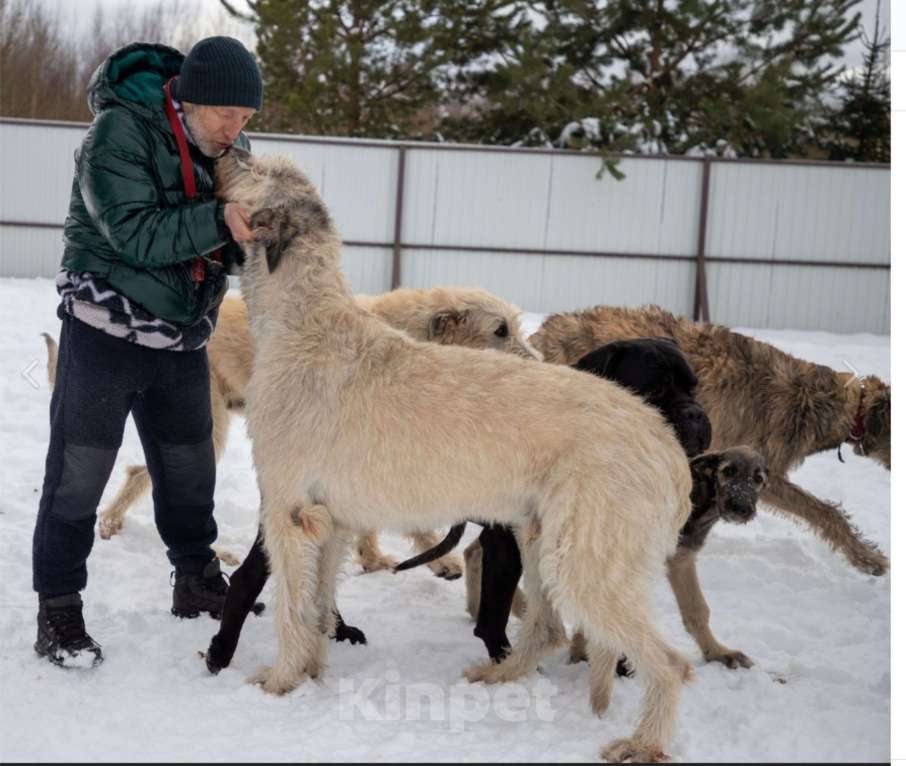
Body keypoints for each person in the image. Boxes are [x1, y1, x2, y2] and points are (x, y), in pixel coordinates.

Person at [32, 36, 263, 668]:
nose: (235, 130)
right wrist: (220, 221)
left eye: (246, 118)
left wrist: (258, 235)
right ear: (190, 98)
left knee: (191, 473)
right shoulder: (118, 132)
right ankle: (59, 608)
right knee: (78, 477)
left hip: (182, 339)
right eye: (226, 114)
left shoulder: (229, 150)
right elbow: (132, 232)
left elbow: (229, 243)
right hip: (104, 334)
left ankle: (196, 579)